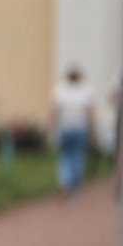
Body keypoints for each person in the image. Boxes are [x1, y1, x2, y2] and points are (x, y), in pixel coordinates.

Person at [51, 65, 97, 196]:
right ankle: (75, 185)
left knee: (65, 157)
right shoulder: (85, 91)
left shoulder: (60, 90)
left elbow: (55, 111)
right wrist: (93, 131)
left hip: (65, 127)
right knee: (77, 157)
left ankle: (65, 181)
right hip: (80, 128)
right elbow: (90, 113)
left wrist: (51, 128)